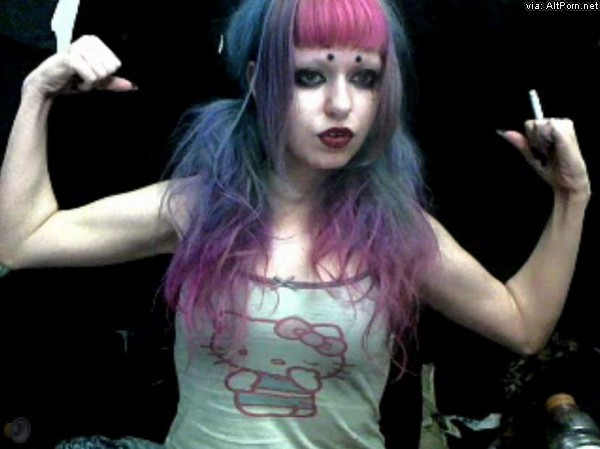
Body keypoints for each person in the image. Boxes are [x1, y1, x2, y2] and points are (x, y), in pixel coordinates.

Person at [0, 0, 591, 448]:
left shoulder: (397, 231)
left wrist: (572, 196)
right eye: (311, 76)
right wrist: (36, 95)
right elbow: (23, 240)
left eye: (364, 77)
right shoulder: (199, 207)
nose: (341, 104)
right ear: (260, 79)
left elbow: (523, 325)